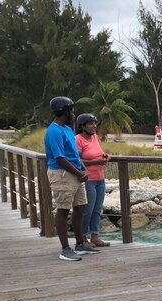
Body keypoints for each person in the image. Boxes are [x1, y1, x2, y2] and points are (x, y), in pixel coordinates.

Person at [44, 96, 100, 261]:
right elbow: (60, 158)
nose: (73, 114)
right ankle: (65, 249)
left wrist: (83, 168)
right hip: (62, 174)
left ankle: (80, 243)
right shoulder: (54, 131)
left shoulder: (67, 129)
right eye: (71, 110)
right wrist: (78, 172)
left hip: (75, 172)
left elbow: (74, 154)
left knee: (80, 207)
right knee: (63, 210)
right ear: (64, 111)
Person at [76, 113, 111, 247]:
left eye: (95, 123)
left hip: (100, 178)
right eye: (90, 124)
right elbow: (78, 160)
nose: (94, 126)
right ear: (82, 126)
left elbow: (97, 153)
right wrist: (96, 161)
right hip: (88, 179)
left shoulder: (95, 137)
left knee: (97, 209)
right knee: (88, 209)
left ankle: (95, 236)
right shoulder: (78, 139)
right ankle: (83, 237)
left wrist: (105, 156)